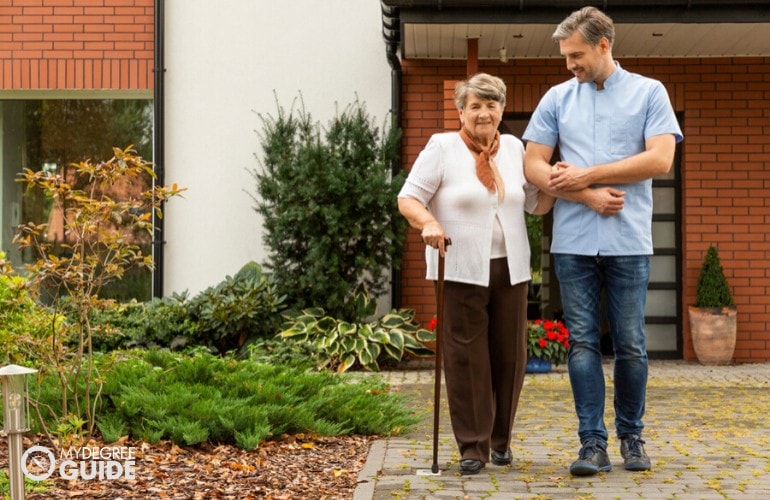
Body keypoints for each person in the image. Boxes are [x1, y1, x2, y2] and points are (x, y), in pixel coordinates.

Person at [522, 7, 683, 476]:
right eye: (566, 56)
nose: (569, 64)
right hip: (572, 240)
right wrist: (587, 194)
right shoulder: (557, 98)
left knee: (631, 343)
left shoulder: (649, 92)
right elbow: (535, 165)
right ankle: (591, 444)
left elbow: (659, 160)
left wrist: (586, 173)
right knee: (582, 344)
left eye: (576, 55)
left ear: (603, 45)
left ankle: (632, 438)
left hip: (629, 241)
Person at [398, 73, 553, 475]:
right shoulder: (442, 147)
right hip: (460, 265)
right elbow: (409, 197)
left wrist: (558, 181)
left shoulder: (516, 148)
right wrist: (428, 223)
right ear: (461, 111)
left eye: (492, 105)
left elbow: (535, 205)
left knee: (510, 357)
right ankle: (473, 446)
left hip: (511, 267)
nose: (484, 113)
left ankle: (501, 441)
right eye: (475, 106)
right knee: (467, 358)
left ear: (502, 109)